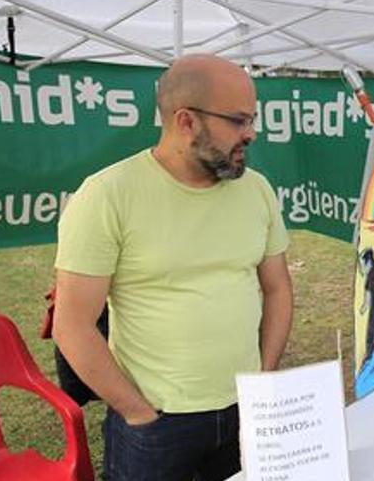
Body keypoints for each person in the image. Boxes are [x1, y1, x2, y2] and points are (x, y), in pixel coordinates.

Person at [52, 54, 294, 481]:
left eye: (252, 119)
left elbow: (277, 287)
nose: (251, 134)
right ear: (186, 122)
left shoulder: (257, 190)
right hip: (158, 423)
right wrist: (137, 411)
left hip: (246, 407)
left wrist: (264, 375)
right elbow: (72, 325)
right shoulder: (106, 196)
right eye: (238, 121)